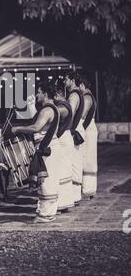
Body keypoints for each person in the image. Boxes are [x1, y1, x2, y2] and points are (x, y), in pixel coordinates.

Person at [12, 82, 61, 223]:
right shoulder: (54, 108)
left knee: (46, 182)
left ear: (45, 94)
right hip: (51, 146)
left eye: (39, 92)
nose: (37, 94)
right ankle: (45, 212)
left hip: (47, 148)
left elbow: (36, 127)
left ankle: (46, 215)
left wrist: (18, 129)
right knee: (46, 181)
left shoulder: (47, 110)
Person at [64, 72, 85, 205]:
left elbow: (69, 114)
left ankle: (74, 196)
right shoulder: (79, 94)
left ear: (72, 80)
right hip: (78, 128)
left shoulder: (73, 95)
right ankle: (75, 195)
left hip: (74, 129)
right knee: (76, 162)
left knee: (73, 163)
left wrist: (67, 130)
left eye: (66, 79)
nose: (64, 82)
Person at [54, 83, 75, 212]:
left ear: (57, 94)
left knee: (61, 171)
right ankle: (66, 202)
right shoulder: (67, 104)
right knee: (65, 171)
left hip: (63, 139)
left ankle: (62, 203)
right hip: (67, 137)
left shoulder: (61, 107)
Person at [80, 76, 98, 199]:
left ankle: (88, 189)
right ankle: (89, 188)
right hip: (90, 127)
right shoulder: (89, 96)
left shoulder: (87, 97)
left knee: (88, 158)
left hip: (88, 128)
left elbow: (82, 114)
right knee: (88, 157)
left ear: (82, 85)